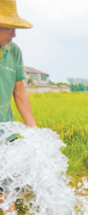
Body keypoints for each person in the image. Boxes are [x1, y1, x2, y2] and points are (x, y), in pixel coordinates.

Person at [0, 0, 36, 213]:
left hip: (6, 131)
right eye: (10, 27)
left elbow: (19, 91)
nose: (14, 34)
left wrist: (33, 129)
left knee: (7, 182)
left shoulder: (14, 52)